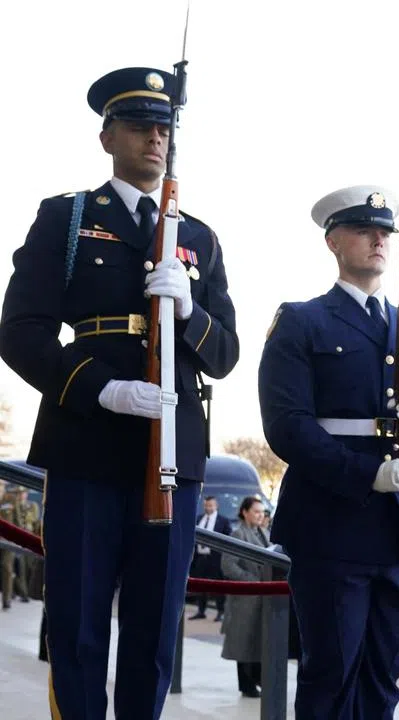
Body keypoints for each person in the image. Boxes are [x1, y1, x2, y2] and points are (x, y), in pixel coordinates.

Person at [0, 65, 239, 718]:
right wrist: (100, 390)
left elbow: (226, 355)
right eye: (139, 127)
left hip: (172, 456)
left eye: (163, 129)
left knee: (156, 627)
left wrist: (191, 312)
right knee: (77, 622)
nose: (154, 141)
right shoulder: (68, 217)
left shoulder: (198, 237)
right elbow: (19, 332)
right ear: (107, 137)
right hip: (87, 444)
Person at [258, 184, 399, 720]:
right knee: (331, 674)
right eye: (363, 230)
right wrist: (370, 475)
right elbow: (288, 427)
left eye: (385, 232)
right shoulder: (302, 320)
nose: (378, 240)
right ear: (333, 242)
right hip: (332, 525)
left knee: (382, 677)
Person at [220, 496, 271, 698]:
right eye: (256, 512)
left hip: (263, 598)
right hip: (245, 599)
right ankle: (247, 684)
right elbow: (228, 565)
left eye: (262, 512)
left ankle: (258, 679)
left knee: (259, 641)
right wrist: (251, 580)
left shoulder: (264, 533)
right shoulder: (237, 533)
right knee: (244, 642)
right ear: (245, 512)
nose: (260, 516)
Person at [190, 495, 232, 620]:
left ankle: (220, 612)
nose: (208, 508)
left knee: (218, 585)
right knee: (200, 585)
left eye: (211, 505)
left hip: (215, 558)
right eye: (206, 505)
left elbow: (227, 540)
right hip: (201, 558)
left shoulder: (223, 521)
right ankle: (201, 611)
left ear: (216, 506)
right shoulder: (199, 519)